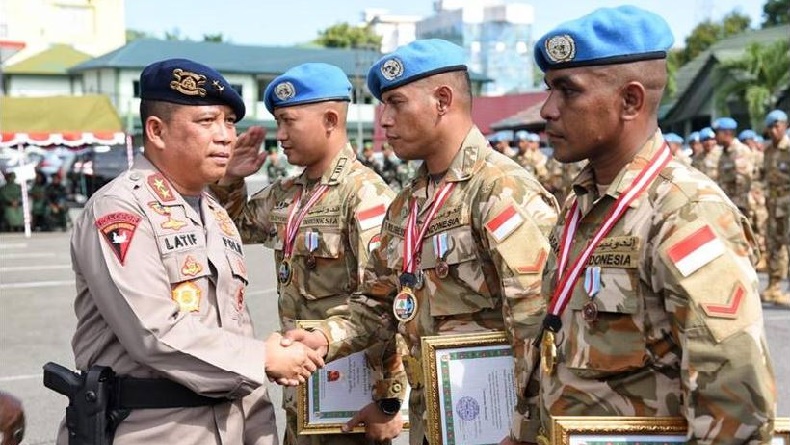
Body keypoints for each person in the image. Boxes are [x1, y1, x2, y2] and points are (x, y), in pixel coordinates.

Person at [285, 39, 559, 445]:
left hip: (499, 427)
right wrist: (326, 337)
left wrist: (527, 430)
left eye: (396, 103)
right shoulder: (407, 205)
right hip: (434, 421)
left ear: (442, 100)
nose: (384, 120)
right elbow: (379, 303)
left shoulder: (501, 190)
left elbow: (538, 329)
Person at [532, 6, 776, 443]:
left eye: (567, 91)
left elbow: (735, 407)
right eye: (549, 89)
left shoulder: (685, 213)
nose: (548, 109)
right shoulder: (583, 203)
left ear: (630, 101)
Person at [55, 58, 323, 444]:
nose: (225, 136)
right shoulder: (120, 209)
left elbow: (234, 326)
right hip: (150, 430)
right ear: (157, 131)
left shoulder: (214, 212)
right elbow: (151, 331)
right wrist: (261, 358)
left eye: (229, 122)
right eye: (206, 121)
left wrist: (260, 433)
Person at [210, 62, 406, 445]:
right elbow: (226, 230)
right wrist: (230, 179)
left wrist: (389, 401)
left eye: (288, 122)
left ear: (330, 119)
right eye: (277, 123)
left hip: (353, 399)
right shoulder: (287, 195)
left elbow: (387, 302)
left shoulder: (365, 194)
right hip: (303, 389)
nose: (279, 135)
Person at [761, 109, 790, 307]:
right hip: (773, 205)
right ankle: (774, 286)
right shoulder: (768, 151)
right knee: (773, 246)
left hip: (788, 205)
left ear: (785, 126)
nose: (773, 130)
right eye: (770, 127)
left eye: (776, 126)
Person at [713, 117, 753, 215]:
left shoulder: (740, 151)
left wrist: (739, 207)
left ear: (727, 133)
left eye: (717, 133)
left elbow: (743, 182)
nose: (715, 137)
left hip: (738, 205)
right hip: (728, 203)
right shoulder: (723, 153)